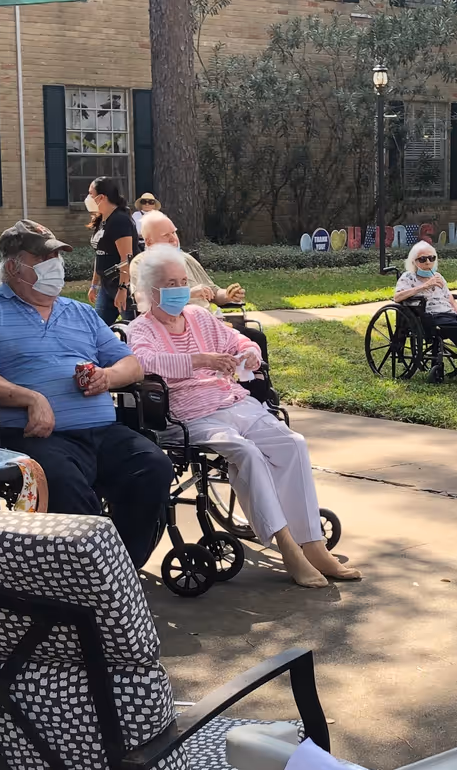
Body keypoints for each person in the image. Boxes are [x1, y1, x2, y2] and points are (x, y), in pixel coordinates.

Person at [127, 245, 358, 588]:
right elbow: (144, 363)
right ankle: (287, 546)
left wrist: (248, 353)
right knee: (246, 453)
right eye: (169, 283)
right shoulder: (140, 329)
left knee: (291, 444)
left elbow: (236, 339)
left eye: (181, 281)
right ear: (150, 291)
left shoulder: (199, 316)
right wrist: (200, 360)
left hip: (232, 402)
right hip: (188, 416)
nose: (178, 288)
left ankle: (313, 543)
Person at [0, 221, 171, 566]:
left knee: (152, 465)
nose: (56, 264)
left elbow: (132, 365)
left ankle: (120, 568)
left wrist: (108, 377)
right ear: (13, 266)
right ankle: (90, 574)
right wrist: (31, 398)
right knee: (63, 481)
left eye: (57, 256)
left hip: (102, 430)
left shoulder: (80, 312)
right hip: (35, 434)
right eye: (43, 257)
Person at [391, 241, 457, 386]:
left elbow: (451, 299)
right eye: (422, 259)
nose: (428, 262)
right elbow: (397, 297)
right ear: (414, 262)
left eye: (431, 258)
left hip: (450, 314)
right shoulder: (408, 277)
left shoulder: (438, 276)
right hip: (430, 316)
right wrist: (425, 286)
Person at [128, 213, 245, 310]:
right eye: (165, 235)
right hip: (172, 327)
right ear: (149, 242)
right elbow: (144, 300)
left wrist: (228, 295)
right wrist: (188, 294)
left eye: (174, 232)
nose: (173, 239)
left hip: (206, 321)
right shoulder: (141, 264)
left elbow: (213, 292)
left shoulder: (186, 258)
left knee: (254, 336)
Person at [86, 177, 140, 327]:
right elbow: (100, 253)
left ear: (102, 197)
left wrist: (123, 288)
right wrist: (94, 284)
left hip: (123, 284)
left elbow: (126, 257)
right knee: (98, 328)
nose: (88, 198)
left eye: (91, 194)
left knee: (132, 328)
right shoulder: (102, 220)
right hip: (106, 285)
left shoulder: (120, 220)